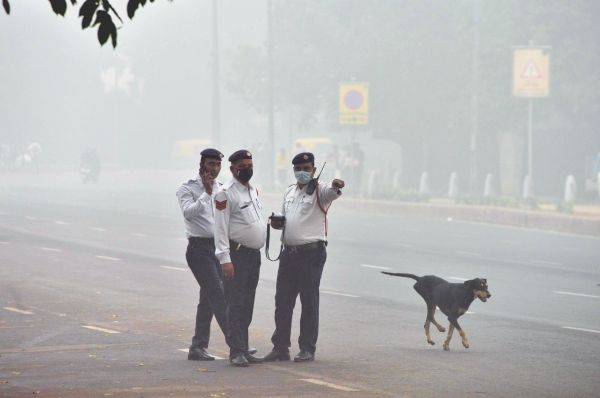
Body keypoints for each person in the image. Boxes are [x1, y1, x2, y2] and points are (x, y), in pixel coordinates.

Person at [264, 152, 345, 362]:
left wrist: (337, 184)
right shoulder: (290, 192)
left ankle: (307, 348)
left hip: (311, 254)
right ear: (293, 170)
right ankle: (280, 347)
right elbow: (286, 219)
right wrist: (277, 223)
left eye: (306, 169)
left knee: (309, 301)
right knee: (282, 302)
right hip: (289, 254)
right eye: (298, 169)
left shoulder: (320, 191)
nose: (302, 173)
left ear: (314, 170)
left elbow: (334, 190)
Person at [176, 148, 243, 362]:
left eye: (217, 165)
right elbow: (188, 213)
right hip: (198, 250)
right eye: (210, 164)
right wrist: (205, 193)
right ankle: (236, 345)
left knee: (208, 299)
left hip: (218, 249)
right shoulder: (187, 187)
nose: (213, 168)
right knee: (219, 295)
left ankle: (198, 346)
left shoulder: (222, 187)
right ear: (202, 164)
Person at [214, 149, 267, 367]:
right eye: (242, 165)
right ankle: (236, 351)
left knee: (247, 304)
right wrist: (225, 259)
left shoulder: (252, 190)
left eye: (249, 164)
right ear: (232, 168)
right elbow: (220, 228)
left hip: (253, 255)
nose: (247, 168)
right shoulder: (225, 193)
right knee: (235, 304)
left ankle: (244, 347)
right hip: (236, 255)